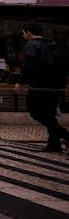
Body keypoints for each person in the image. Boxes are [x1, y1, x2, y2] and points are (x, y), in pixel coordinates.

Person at [14, 24, 69, 153]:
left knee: (35, 111)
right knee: (49, 115)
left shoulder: (31, 45)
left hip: (39, 86)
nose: (23, 35)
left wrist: (20, 82)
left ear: (28, 33)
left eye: (23, 33)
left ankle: (66, 135)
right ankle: (54, 144)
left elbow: (28, 65)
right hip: (57, 87)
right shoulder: (54, 45)